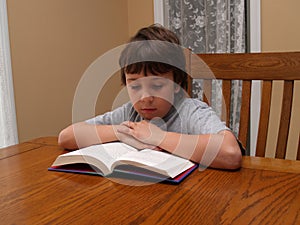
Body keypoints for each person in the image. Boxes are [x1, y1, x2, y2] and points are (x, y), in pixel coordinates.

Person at [58, 24, 242, 170]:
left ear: (177, 83)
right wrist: (122, 132)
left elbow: (230, 153)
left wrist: (158, 137)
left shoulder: (191, 111)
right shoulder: (130, 114)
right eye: (135, 85)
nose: (145, 97)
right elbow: (66, 137)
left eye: (157, 85)